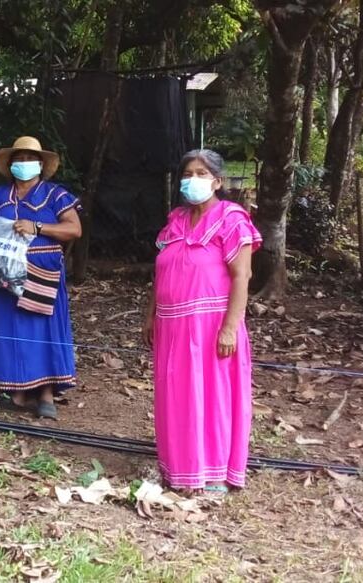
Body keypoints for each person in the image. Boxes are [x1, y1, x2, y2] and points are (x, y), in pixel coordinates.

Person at [141, 149, 261, 496]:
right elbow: (160, 273)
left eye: (202, 173)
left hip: (211, 327)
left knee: (212, 396)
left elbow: (242, 277)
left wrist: (229, 328)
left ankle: (214, 473)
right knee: (177, 396)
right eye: (188, 173)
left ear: (218, 181)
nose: (193, 180)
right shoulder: (175, 220)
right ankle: (180, 468)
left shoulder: (232, 219)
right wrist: (150, 316)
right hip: (172, 326)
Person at [0, 136, 82, 419]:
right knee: (7, 328)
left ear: (41, 164)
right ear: (10, 164)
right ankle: (15, 390)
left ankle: (46, 392)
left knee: (42, 330)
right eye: (18, 159)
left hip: (42, 272)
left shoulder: (55, 194)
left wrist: (37, 227)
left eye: (29, 159)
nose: (24, 164)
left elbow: (74, 230)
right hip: (3, 273)